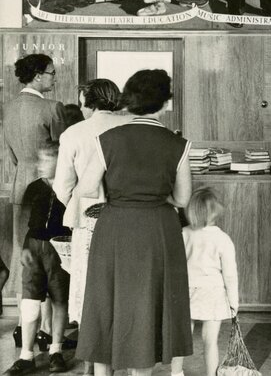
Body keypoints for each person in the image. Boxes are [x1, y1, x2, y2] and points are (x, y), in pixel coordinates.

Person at [76, 69, 193, 376]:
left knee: (106, 301)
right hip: (159, 229)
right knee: (148, 303)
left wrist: (115, 194)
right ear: (165, 102)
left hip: (115, 226)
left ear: (129, 99)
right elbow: (182, 198)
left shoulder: (107, 139)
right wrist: (158, 196)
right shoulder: (177, 143)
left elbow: (86, 188)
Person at [53, 79, 125, 337]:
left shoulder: (73, 134)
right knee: (121, 278)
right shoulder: (129, 126)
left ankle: (91, 343)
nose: (81, 108)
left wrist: (75, 203)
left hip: (87, 215)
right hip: (126, 214)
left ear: (90, 103)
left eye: (82, 103)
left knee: (87, 279)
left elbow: (62, 186)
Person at [7, 142, 71, 374]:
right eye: (40, 160)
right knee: (30, 302)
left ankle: (56, 351)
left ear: (60, 162)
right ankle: (26, 356)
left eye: (46, 160)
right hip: (33, 248)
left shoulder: (69, 186)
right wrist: (22, 247)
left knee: (60, 299)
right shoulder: (34, 188)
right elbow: (23, 220)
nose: (40, 165)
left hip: (60, 249)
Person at [6, 55, 65, 294]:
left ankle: (25, 313)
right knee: (51, 258)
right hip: (49, 189)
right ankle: (48, 315)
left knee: (24, 254)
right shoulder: (52, 107)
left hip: (19, 186)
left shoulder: (9, 108)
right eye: (52, 73)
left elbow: (11, 156)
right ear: (38, 76)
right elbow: (63, 154)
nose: (55, 78)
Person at [171, 187, 239, 376]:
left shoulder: (183, 233)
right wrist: (234, 303)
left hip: (186, 292)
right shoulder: (223, 239)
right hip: (213, 293)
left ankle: (176, 373)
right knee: (210, 342)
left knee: (180, 340)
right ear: (216, 212)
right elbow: (230, 275)